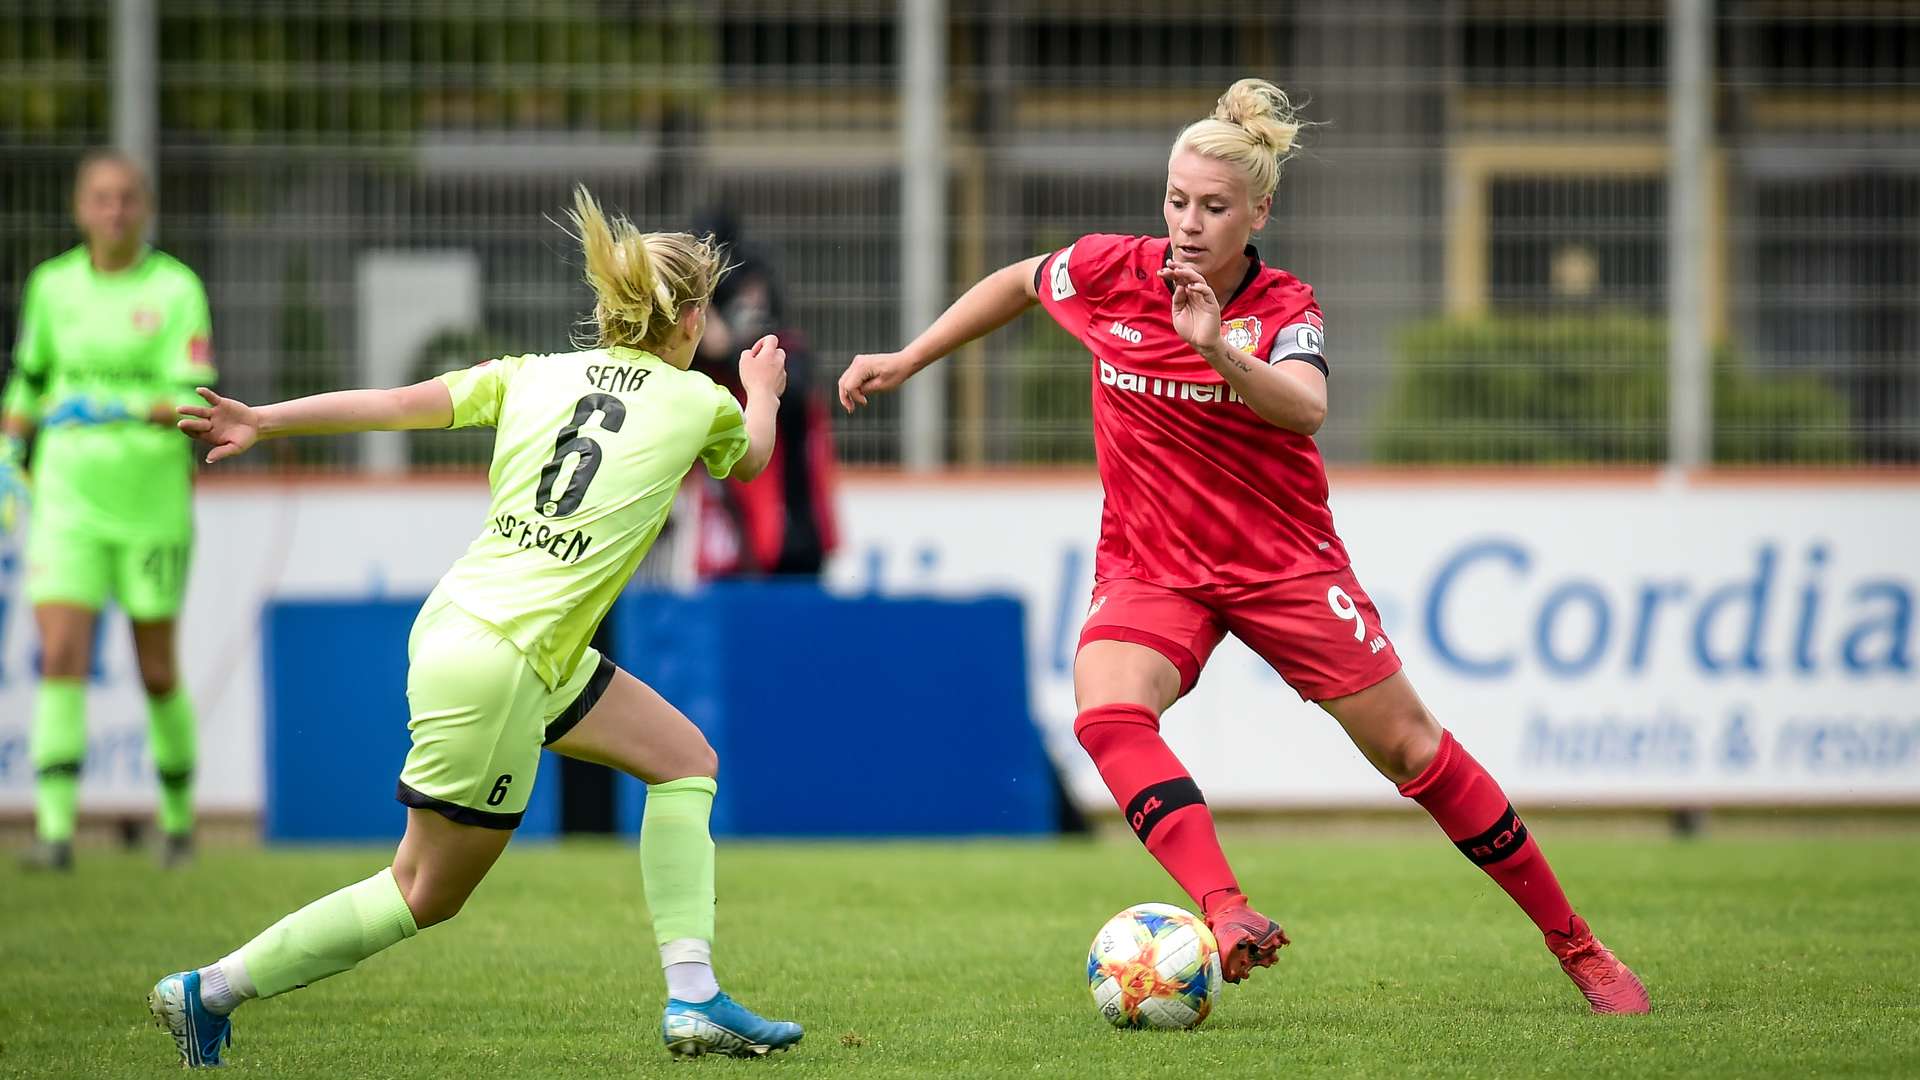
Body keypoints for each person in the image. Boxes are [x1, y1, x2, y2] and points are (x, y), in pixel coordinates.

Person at [837, 79, 1650, 1015]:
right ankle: (1225, 911)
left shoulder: (1281, 303)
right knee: (1106, 714)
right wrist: (909, 357)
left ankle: (1579, 947)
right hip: (1153, 567)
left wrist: (1219, 349)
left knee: (1412, 750)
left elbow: (1306, 407)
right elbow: (1022, 280)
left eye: (1214, 207)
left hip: (1283, 567)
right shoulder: (1111, 270)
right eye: (1177, 200)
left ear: (1260, 210)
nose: (1188, 223)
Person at [145, 187, 805, 1068]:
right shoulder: (698, 402)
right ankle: (210, 990)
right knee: (423, 890)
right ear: (690, 320)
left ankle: (694, 998)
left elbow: (395, 403)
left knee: (685, 763)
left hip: (482, 629)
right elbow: (757, 456)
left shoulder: (530, 373)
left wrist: (265, 418)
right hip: (508, 660)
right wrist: (757, 387)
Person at [1, 151, 216, 871]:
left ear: (145, 207)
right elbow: (28, 386)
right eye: (101, 198)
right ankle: (55, 834)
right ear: (79, 207)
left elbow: (194, 398)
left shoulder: (177, 289)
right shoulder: (52, 287)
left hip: (150, 502)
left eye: (126, 198)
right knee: (60, 654)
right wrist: (8, 454)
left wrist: (117, 404)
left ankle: (180, 824)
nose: (114, 211)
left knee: (155, 667)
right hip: (67, 501)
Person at [690, 209, 838, 579]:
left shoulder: (785, 353)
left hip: (791, 540)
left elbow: (792, 395)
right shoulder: (698, 374)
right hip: (728, 545)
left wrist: (727, 349)